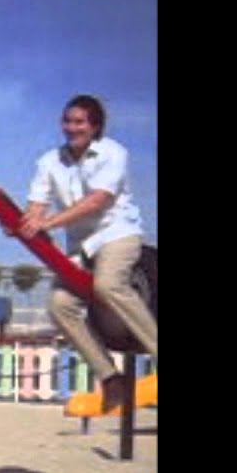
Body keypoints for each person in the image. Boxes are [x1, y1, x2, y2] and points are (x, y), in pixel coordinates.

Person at [16, 94, 157, 413]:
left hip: (117, 233)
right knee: (60, 304)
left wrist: (49, 223)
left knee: (108, 285)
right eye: (67, 121)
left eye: (79, 122)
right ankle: (111, 379)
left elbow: (98, 200)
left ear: (95, 127)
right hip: (81, 246)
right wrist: (23, 221)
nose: (71, 128)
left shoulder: (113, 153)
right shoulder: (49, 161)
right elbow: (36, 206)